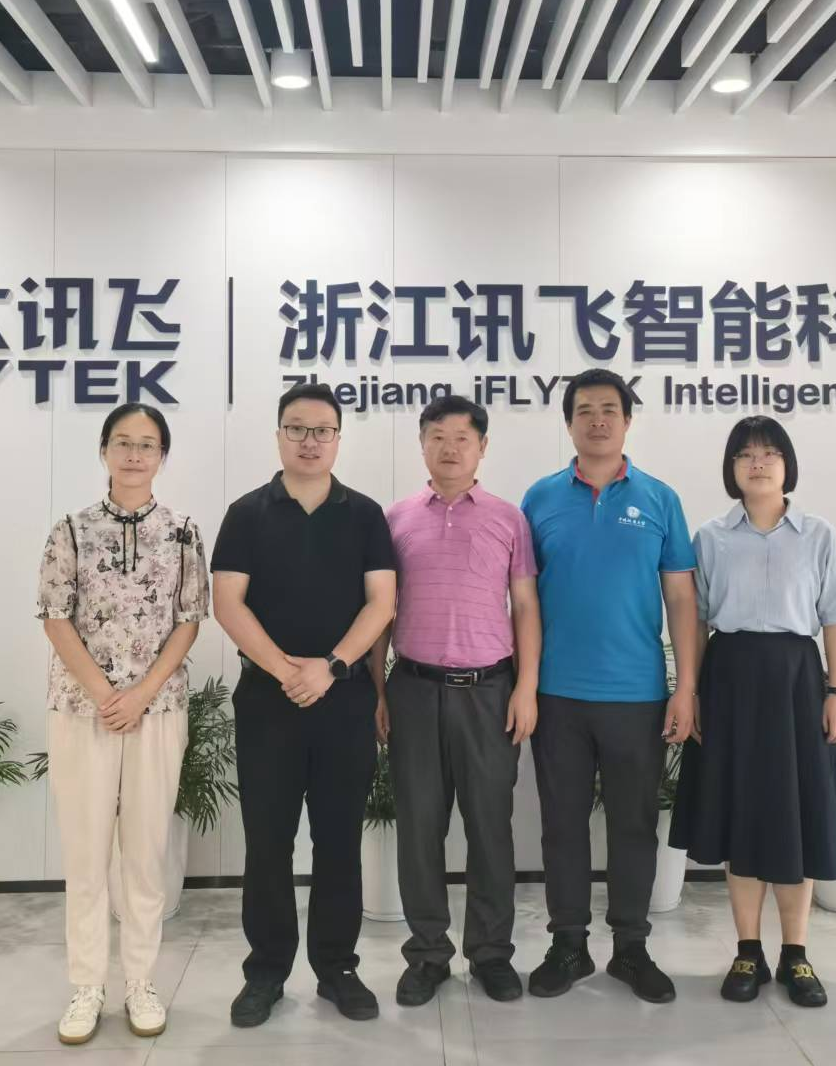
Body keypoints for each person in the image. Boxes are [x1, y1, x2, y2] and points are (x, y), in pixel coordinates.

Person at [212, 383, 398, 1028]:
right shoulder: (246, 513)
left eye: (322, 430)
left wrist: (332, 667)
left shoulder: (365, 515)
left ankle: (337, 967)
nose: (309, 441)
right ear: (278, 435)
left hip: (344, 701)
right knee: (268, 842)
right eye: (297, 428)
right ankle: (265, 972)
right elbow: (227, 602)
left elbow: (382, 602)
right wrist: (286, 670)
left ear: (338, 439)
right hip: (268, 701)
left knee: (338, 840)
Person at [519, 369, 699, 1004]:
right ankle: (568, 944)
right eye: (585, 410)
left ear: (627, 420)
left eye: (609, 409)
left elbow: (682, 599)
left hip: (637, 694)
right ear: (569, 422)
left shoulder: (659, 499)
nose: (597, 420)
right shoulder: (539, 499)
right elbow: (521, 600)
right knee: (562, 826)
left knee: (633, 825)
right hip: (557, 695)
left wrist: (685, 687)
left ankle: (630, 948)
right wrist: (525, 684)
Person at [36, 403, 208, 1045]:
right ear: (104, 450)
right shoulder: (71, 530)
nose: (135, 455)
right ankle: (87, 984)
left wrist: (141, 694)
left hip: (157, 710)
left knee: (145, 850)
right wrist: (107, 693)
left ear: (163, 455)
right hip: (83, 710)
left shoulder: (183, 532)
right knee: (85, 852)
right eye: (123, 443)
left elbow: (189, 620)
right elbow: (56, 616)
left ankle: (140, 980)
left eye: (148, 444)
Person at [669, 415, 836, 1009]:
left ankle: (796, 954)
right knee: (741, 814)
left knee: (796, 816)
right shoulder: (710, 537)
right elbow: (696, 619)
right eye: (745, 454)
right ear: (731, 468)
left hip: (798, 682)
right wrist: (692, 690)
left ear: (787, 464)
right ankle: (747, 950)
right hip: (729, 680)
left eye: (770, 453)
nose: (758, 462)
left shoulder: (818, 535)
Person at [372, 394, 541, 1007]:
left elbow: (525, 606)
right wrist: (378, 691)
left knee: (491, 828)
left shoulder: (508, 519)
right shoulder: (394, 519)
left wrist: (526, 687)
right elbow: (380, 611)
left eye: (462, 438)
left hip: (490, 692)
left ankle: (492, 953)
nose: (449, 448)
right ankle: (427, 954)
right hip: (413, 690)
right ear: (422, 443)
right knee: (420, 828)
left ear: (482, 447)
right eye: (437, 436)